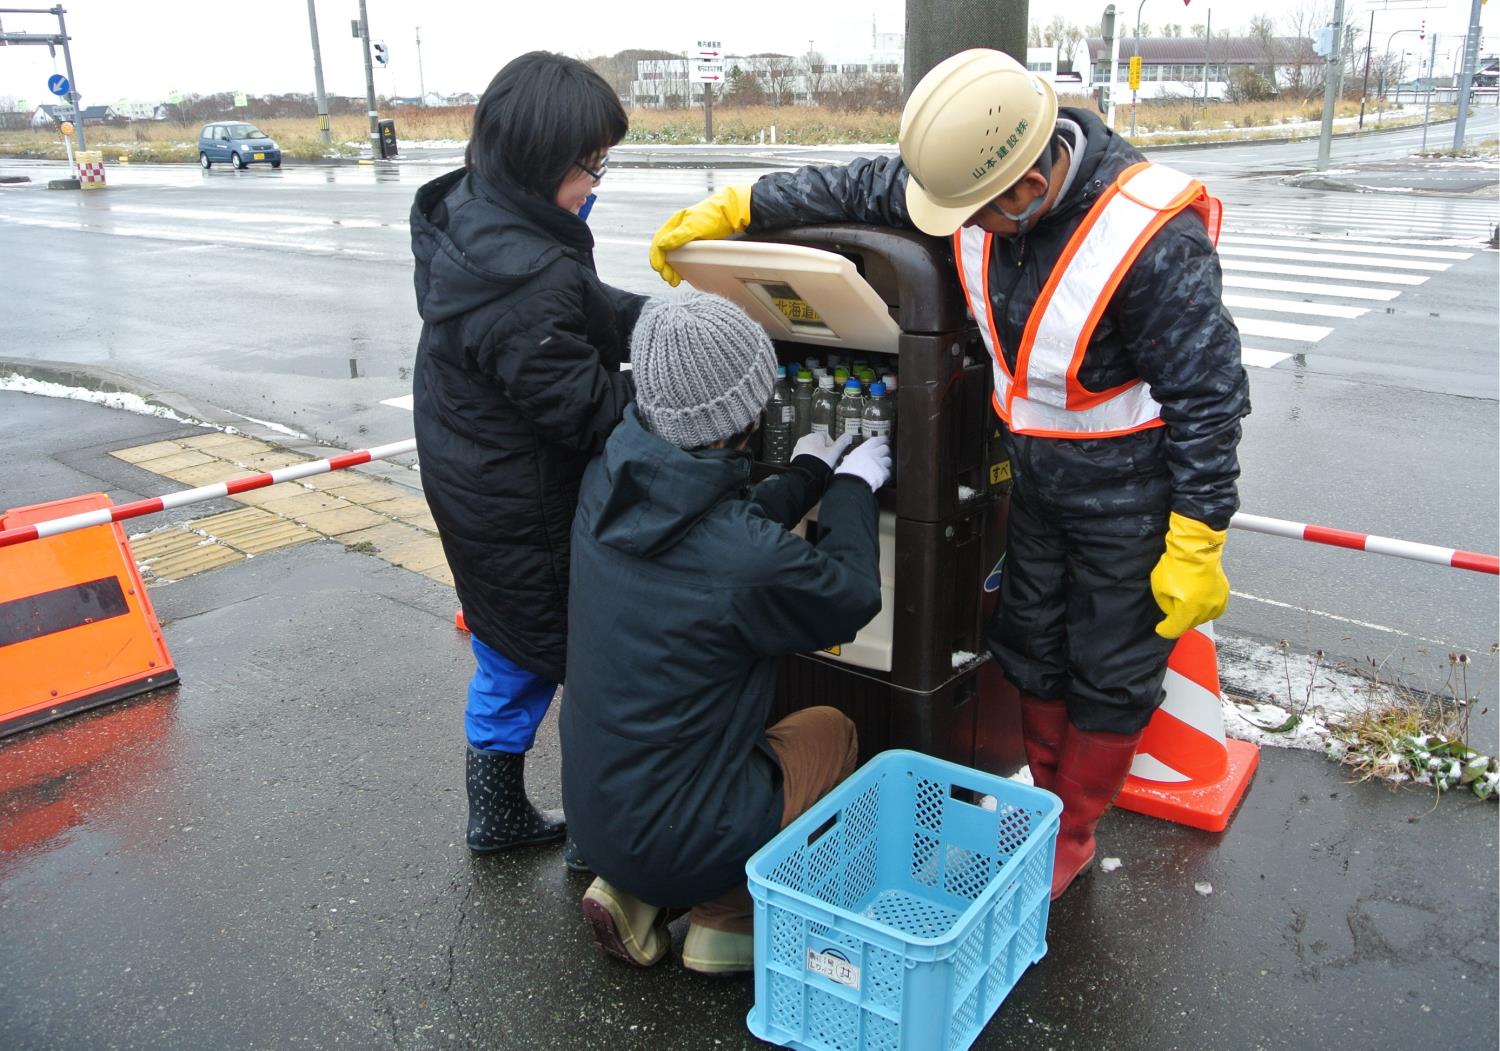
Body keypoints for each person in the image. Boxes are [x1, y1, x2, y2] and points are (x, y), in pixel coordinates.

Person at [647, 49, 1250, 900]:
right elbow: (862, 188)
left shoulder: (1149, 238)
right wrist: (745, 203)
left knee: (1110, 671)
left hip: (1132, 493)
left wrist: (1198, 532)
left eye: (974, 214)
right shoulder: (975, 182)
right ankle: (1042, 799)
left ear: (1027, 185)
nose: (954, 224)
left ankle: (1071, 831)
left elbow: (1211, 397)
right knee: (1029, 644)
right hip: (1038, 482)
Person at [560, 292, 892, 974]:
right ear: (741, 415)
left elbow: (706, 519)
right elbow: (851, 593)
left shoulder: (605, 482)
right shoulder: (742, 560)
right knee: (832, 730)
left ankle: (632, 890)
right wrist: (855, 488)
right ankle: (726, 920)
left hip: (593, 812)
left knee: (682, 772)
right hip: (686, 832)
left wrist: (804, 476)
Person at [409, 52, 644, 861]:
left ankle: (498, 811)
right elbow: (588, 410)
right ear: (543, 161)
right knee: (575, 653)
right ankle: (598, 834)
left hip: (470, 464)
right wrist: (679, 391)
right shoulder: (525, 272)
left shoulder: (480, 214)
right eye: (590, 166)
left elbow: (578, 309)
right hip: (519, 500)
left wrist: (653, 324)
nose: (596, 182)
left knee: (508, 648)